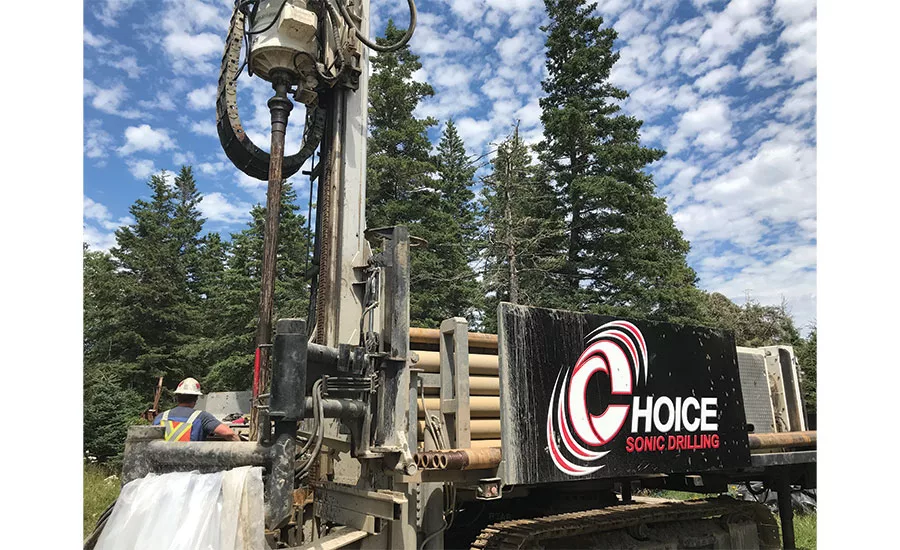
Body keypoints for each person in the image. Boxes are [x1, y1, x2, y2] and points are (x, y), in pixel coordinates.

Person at [152, 377, 240, 441]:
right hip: (191, 465)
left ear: (177, 397)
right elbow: (229, 434)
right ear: (196, 398)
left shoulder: (160, 417)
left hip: (162, 465)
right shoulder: (202, 417)